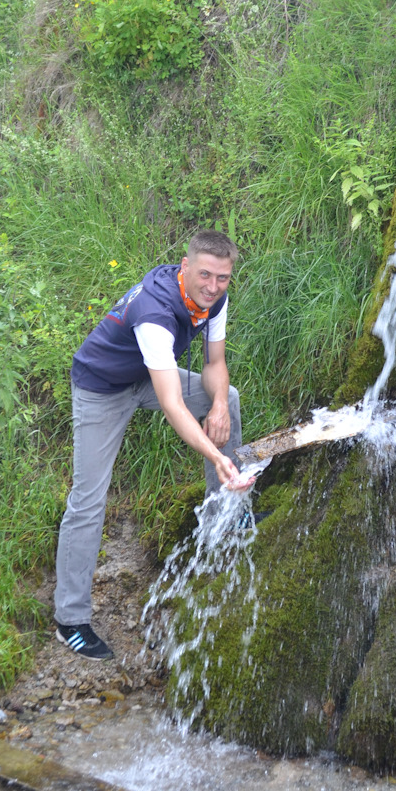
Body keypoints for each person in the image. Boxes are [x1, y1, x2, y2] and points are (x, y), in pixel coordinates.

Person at [53, 229, 253, 659]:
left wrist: (218, 403)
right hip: (101, 389)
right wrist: (216, 455)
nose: (214, 286)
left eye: (223, 278)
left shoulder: (214, 296)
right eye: (205, 275)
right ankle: (70, 619)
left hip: (144, 375)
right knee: (87, 500)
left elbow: (215, 363)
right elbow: (173, 405)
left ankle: (227, 514)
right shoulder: (155, 312)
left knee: (229, 398)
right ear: (185, 267)